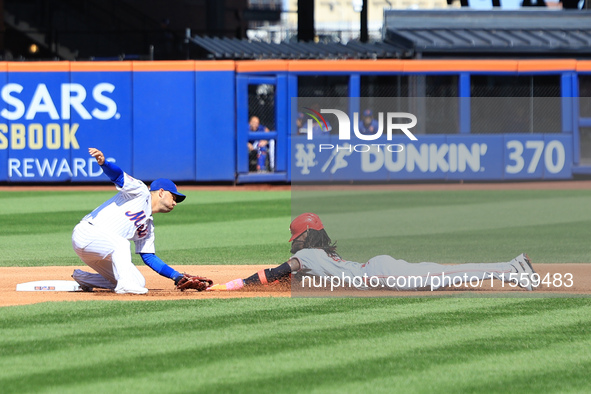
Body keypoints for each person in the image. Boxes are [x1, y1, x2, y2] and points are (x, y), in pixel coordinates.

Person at [208, 213, 539, 292]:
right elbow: (292, 279)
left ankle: (512, 267)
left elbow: (276, 272)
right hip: (377, 267)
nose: (293, 242)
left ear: (302, 236)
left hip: (378, 272)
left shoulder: (306, 256)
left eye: (295, 237)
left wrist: (236, 284)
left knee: (442, 276)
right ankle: (512, 269)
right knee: (441, 273)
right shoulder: (319, 255)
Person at [71, 147, 203, 294]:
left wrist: (176, 276)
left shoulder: (148, 225)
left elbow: (148, 257)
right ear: (161, 192)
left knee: (138, 282)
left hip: (98, 251)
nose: (175, 203)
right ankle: (124, 286)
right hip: (87, 233)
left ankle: (84, 278)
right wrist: (104, 163)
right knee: (121, 244)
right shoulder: (140, 192)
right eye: (174, 197)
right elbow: (118, 176)